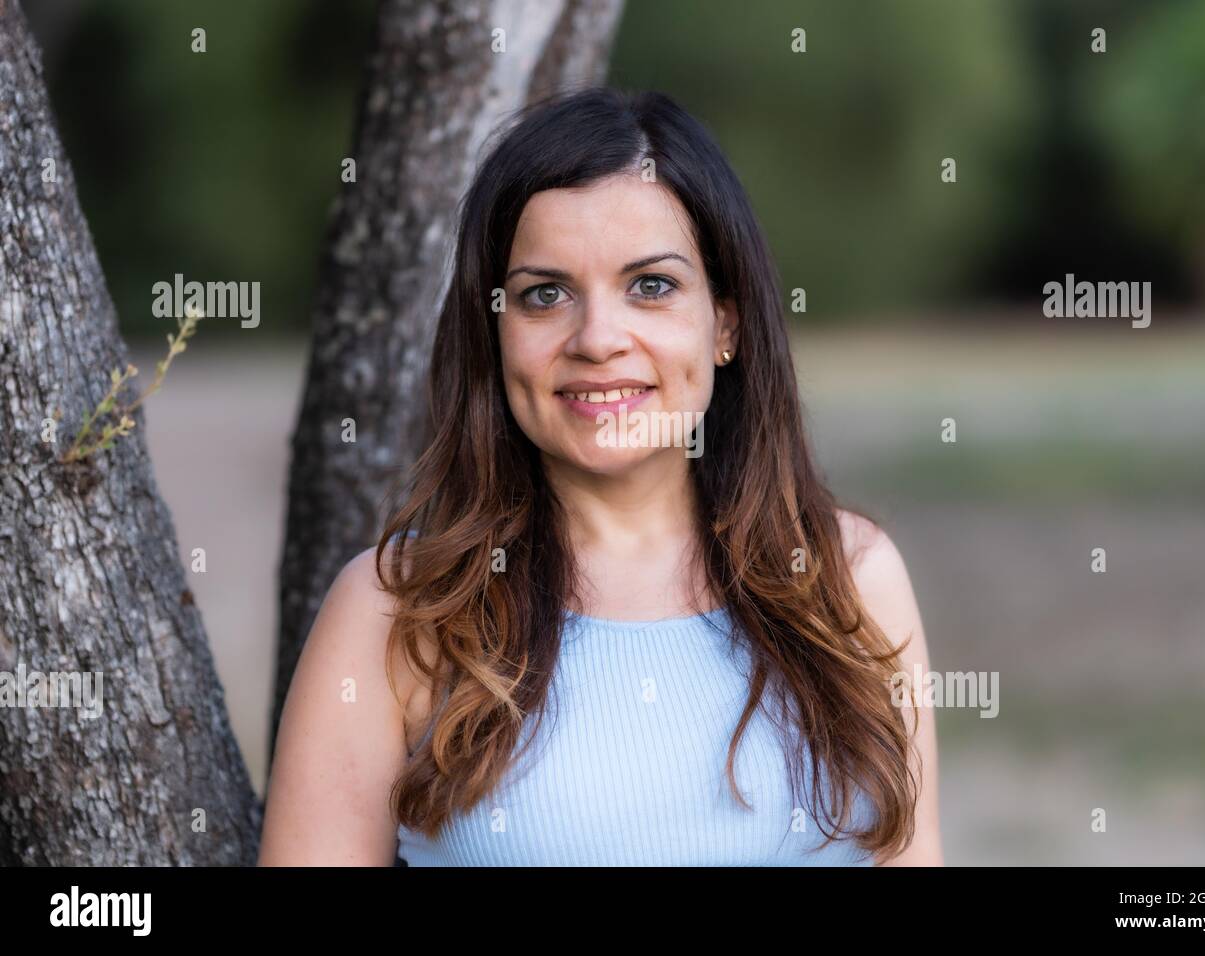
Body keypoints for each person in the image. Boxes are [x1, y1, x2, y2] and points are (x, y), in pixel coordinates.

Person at [258, 86, 942, 866]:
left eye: (650, 286)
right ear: (495, 334)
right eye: (545, 295)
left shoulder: (850, 583)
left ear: (725, 322)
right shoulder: (397, 612)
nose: (597, 338)